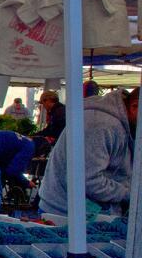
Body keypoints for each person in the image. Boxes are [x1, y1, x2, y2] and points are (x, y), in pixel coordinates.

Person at [39, 88, 138, 216]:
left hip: (87, 211)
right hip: (66, 214)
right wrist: (130, 194)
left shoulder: (120, 123)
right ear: (134, 106)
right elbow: (88, 180)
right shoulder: (101, 125)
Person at [35, 90, 66, 155]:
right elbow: (49, 129)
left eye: (43, 102)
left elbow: (54, 130)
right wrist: (36, 135)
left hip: (61, 144)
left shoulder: (58, 111)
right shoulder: (58, 110)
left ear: (48, 100)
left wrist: (37, 136)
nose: (43, 105)